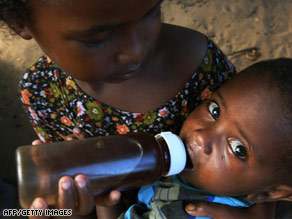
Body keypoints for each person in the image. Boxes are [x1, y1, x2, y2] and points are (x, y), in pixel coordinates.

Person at [0, 0, 274, 218]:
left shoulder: (199, 63)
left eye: (151, 12)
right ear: (20, 23)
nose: (136, 51)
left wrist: (264, 210)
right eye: (98, 38)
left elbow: (268, 149)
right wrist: (74, 207)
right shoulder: (43, 92)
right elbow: (68, 198)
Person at [116, 58, 292, 219]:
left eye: (238, 148)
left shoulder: (193, 212)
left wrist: (102, 201)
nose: (201, 136)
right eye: (215, 111)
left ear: (269, 193)